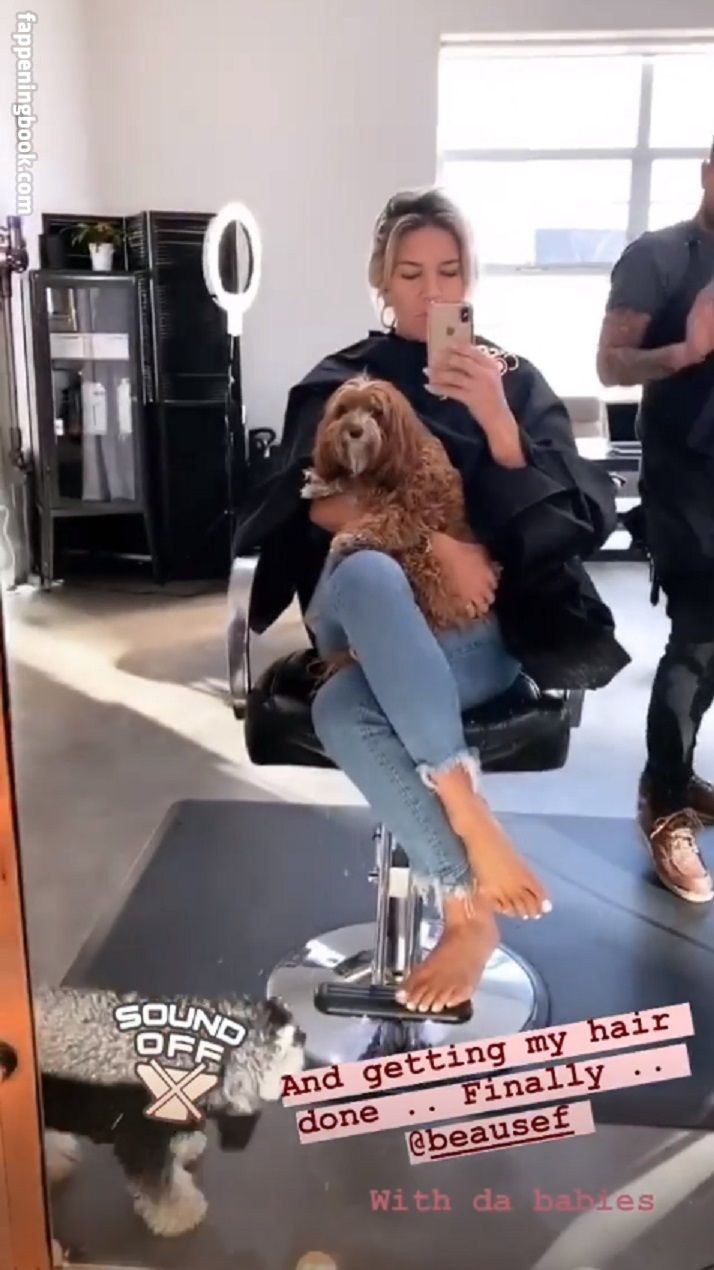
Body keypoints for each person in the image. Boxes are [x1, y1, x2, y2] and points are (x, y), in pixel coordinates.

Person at [235, 188, 629, 1012]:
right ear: (382, 280)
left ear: (469, 278)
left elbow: (573, 518)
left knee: (344, 707)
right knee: (369, 574)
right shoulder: (341, 380)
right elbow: (306, 504)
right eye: (410, 273)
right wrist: (430, 542)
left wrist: (496, 421)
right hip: (361, 618)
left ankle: (465, 908)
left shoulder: (511, 381)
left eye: (448, 271)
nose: (430, 290)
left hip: (469, 638)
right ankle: (470, 813)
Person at [597, 141, 714, 904]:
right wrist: (685, 352)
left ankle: (678, 772)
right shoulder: (660, 258)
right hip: (686, 484)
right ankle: (662, 800)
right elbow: (611, 364)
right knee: (698, 639)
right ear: (708, 175)